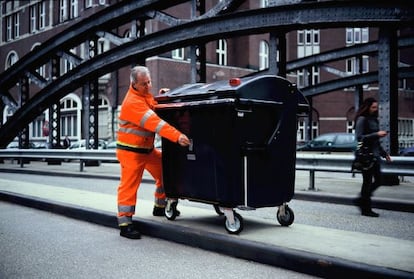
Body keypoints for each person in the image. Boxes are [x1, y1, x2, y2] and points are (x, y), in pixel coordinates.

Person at [116, 66, 190, 239]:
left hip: (146, 150)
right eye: (144, 84)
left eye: (149, 82)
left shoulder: (144, 95)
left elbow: (152, 106)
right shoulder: (132, 103)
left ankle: (160, 206)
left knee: (165, 171)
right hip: (130, 153)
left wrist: (161, 96)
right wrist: (177, 136)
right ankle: (125, 224)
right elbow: (156, 123)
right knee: (129, 186)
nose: (148, 86)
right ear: (133, 84)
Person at [354, 97, 391, 217]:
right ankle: (366, 208)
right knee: (368, 182)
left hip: (375, 156)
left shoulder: (374, 120)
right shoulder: (362, 119)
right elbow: (360, 138)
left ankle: (361, 200)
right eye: (373, 107)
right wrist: (377, 134)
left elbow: (376, 142)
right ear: (367, 107)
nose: (375, 109)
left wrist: (384, 154)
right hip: (366, 156)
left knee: (379, 180)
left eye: (376, 107)